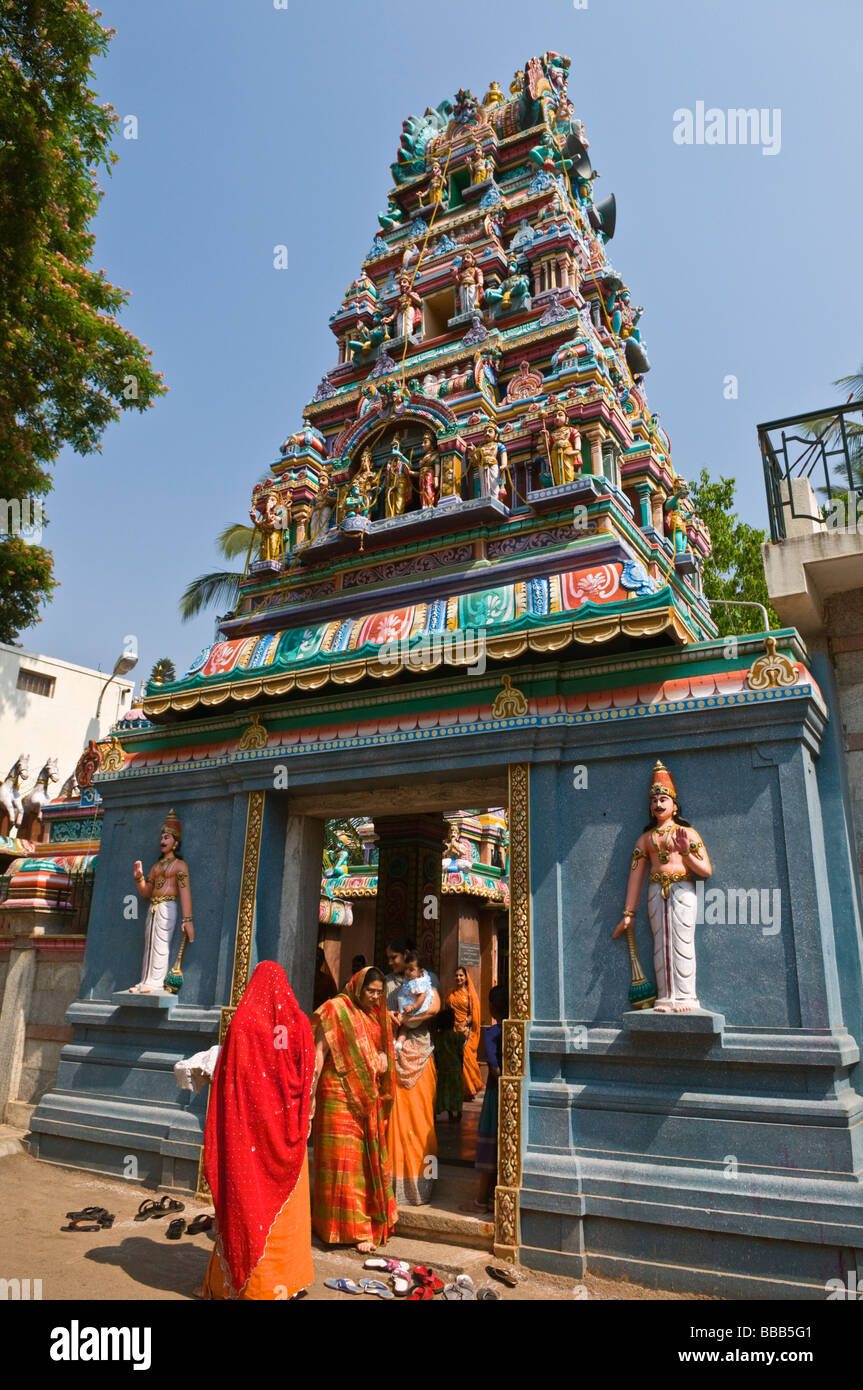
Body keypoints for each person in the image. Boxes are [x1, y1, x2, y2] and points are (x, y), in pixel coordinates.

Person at [201, 961, 314, 1300]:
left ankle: (241, 1286)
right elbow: (306, 1077)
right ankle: (284, 1282)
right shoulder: (297, 1022)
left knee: (246, 1201)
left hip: (245, 1135)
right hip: (286, 1132)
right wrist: (300, 1116)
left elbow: (229, 1081)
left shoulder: (242, 1023)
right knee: (286, 1210)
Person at [612, 760, 712, 1012]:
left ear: (675, 805)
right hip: (656, 890)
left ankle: (686, 996)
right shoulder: (645, 839)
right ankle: (666, 996)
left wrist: (685, 853)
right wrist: (628, 914)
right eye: (654, 801)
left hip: (682, 889)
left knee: (682, 941)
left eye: (663, 800)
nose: (658, 804)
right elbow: (635, 875)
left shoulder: (687, 834)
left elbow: (705, 871)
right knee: (661, 942)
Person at [311, 966, 397, 1252]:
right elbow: (319, 1052)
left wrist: (383, 1057)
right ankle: (337, 1227)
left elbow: (381, 1049)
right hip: (335, 1093)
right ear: (357, 986)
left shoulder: (376, 1016)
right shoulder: (335, 1010)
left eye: (379, 993)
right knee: (339, 1162)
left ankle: (360, 1224)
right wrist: (309, 1095)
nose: (374, 997)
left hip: (365, 1096)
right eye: (370, 991)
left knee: (360, 1162)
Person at [385, 936, 440, 1205]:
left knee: (421, 1120)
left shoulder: (427, 980)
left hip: (421, 1052)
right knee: (396, 1120)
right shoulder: (386, 985)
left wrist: (408, 1018)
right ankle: (394, 1188)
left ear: (408, 957)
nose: (391, 963)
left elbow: (435, 1008)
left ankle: (423, 1187)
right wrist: (394, 1019)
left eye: (394, 958)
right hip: (399, 1052)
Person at [129, 810, 193, 993]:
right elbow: (147, 892)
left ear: (175, 843)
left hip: (167, 907)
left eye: (167, 837)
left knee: (160, 944)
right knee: (149, 944)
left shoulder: (180, 866)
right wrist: (139, 878)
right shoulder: (156, 867)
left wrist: (187, 920)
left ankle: (156, 981)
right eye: (162, 837)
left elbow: (185, 891)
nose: (162, 841)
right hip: (153, 907)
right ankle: (145, 980)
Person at [468, 984, 507, 1214]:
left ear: (492, 1008)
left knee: (490, 1144)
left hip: (494, 1095)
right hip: (511, 1094)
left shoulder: (493, 1034)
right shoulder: (518, 1031)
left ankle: (481, 1200)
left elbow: (493, 1069)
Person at [447, 966, 482, 1101]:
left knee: (466, 1058)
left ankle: (472, 1087)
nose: (458, 978)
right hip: (452, 1031)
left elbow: (474, 1014)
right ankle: (458, 1090)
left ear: (466, 977)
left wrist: (464, 1023)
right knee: (454, 1062)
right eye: (456, 975)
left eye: (461, 975)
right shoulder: (450, 993)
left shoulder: (470, 994)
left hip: (465, 1031)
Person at [393, 954, 433, 1053]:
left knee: (400, 1026)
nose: (407, 972)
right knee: (403, 1028)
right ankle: (399, 1043)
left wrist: (413, 1007)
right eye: (406, 969)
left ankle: (396, 1041)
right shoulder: (414, 979)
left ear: (421, 971)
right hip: (410, 1013)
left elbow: (422, 996)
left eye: (411, 970)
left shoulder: (418, 983)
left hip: (413, 1013)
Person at [432, 1007, 465, 1122]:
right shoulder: (456, 1036)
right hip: (455, 1069)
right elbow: (462, 1040)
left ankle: (444, 1112)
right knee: (455, 1091)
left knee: (443, 1091)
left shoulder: (437, 1037)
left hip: (442, 1069)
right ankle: (457, 1113)